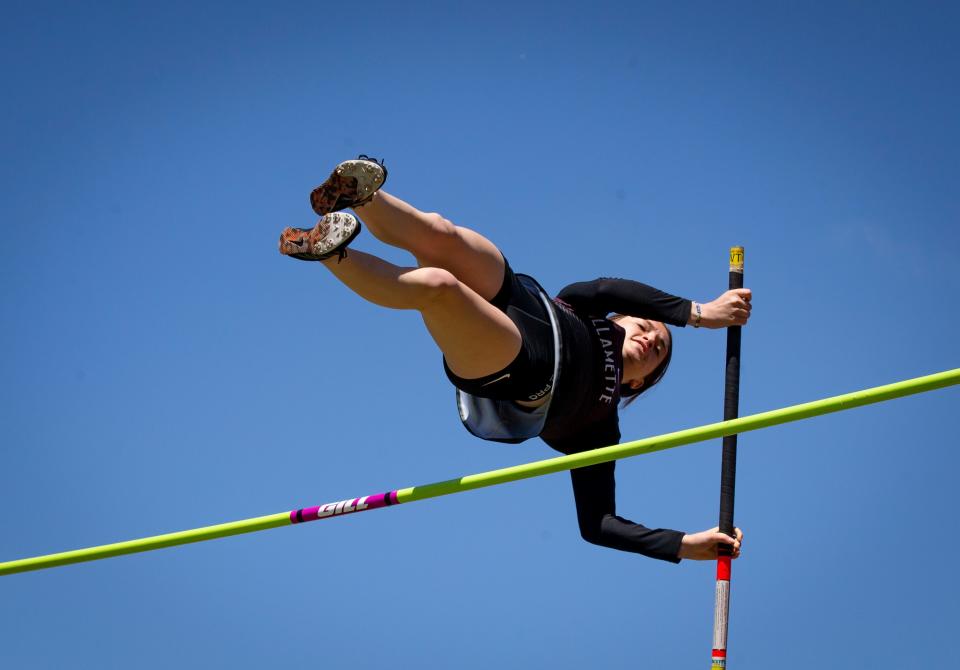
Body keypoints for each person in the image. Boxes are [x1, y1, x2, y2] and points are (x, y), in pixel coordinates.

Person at [279, 156, 750, 563]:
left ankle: (326, 253)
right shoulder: (583, 305)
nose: (651, 337)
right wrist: (696, 313)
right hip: (522, 298)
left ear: (637, 385)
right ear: (624, 318)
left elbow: (598, 524)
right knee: (440, 233)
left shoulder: (599, 430)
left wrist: (684, 544)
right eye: (648, 325)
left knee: (439, 287)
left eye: (660, 351)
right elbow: (610, 289)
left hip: (516, 366)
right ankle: (357, 195)